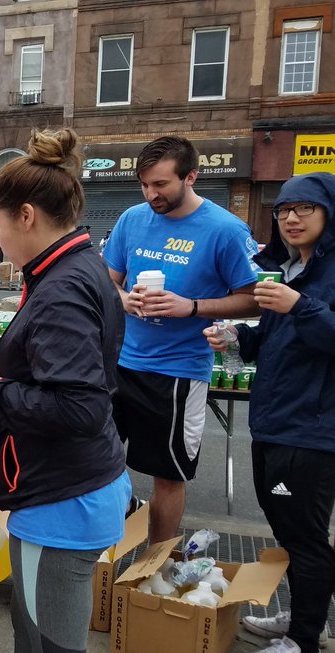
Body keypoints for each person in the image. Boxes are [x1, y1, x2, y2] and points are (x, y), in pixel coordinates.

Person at [0, 129, 129, 653]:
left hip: (62, 503)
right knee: (34, 637)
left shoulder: (62, 290)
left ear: (27, 216)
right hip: (62, 487)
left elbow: (79, 409)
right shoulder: (70, 269)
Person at [203, 174, 335, 653]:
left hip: (315, 427)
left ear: (330, 213)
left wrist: (302, 306)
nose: (291, 219)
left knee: (304, 534)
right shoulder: (290, 269)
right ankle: (307, 620)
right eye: (283, 210)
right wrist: (237, 336)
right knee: (287, 525)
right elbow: (275, 337)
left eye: (304, 208)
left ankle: (304, 646)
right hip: (276, 419)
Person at [103, 135, 260, 544]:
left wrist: (190, 307)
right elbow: (107, 282)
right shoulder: (132, 219)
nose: (150, 194)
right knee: (93, 458)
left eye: (160, 184)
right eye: (144, 185)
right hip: (120, 364)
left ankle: (156, 563)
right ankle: (117, 528)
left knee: (168, 476)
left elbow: (253, 300)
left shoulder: (225, 229)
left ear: (191, 177)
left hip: (177, 373)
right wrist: (125, 299)